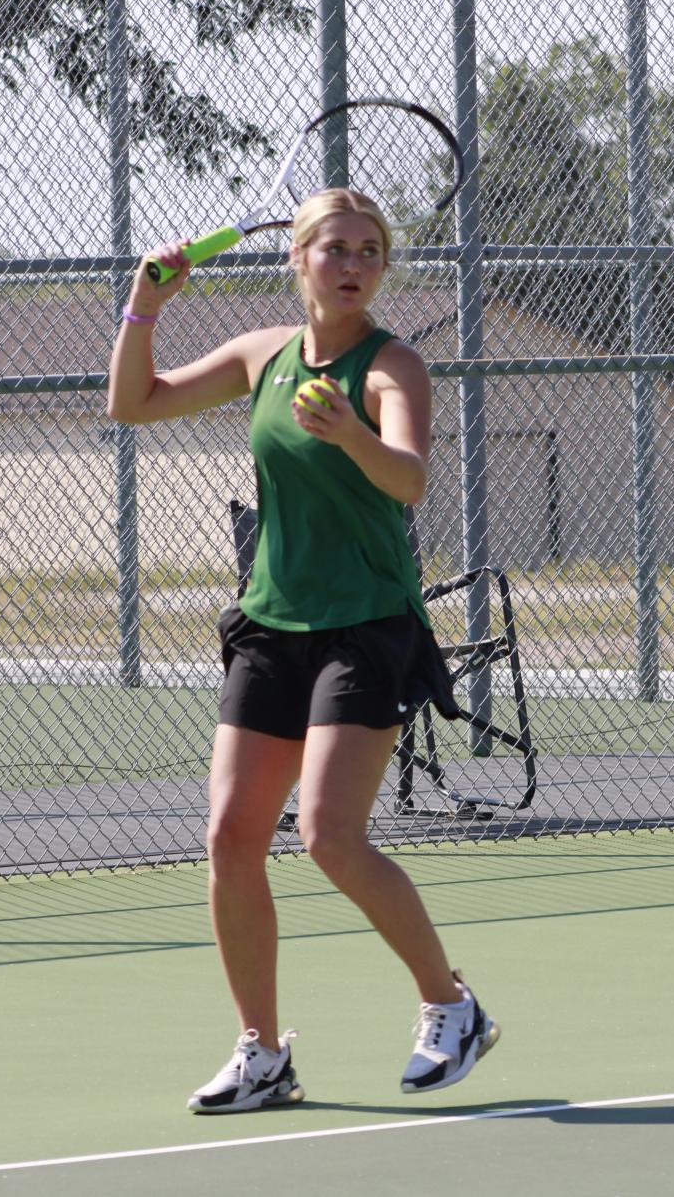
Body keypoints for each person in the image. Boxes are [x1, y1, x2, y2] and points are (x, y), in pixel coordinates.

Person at [108, 188, 500, 1114]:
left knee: (329, 836)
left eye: (370, 250)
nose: (354, 264)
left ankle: (451, 1005)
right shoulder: (261, 355)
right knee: (231, 839)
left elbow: (407, 480)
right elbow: (134, 405)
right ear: (299, 259)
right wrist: (145, 307)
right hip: (270, 624)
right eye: (336, 249)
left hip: (365, 625)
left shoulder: (391, 363)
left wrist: (351, 432)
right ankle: (261, 1053)